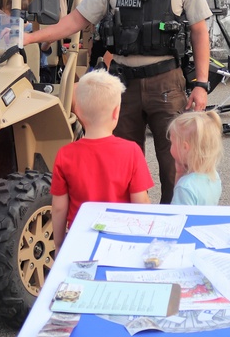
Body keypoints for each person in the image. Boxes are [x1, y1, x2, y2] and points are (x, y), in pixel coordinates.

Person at [25, 0, 212, 204]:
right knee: (123, 165)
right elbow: (75, 21)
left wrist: (201, 84)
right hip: (123, 86)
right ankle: (128, 227)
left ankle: (172, 231)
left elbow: (200, 32)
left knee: (174, 165)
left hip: (167, 83)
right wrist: (30, 38)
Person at [50, 69, 153, 251]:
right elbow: (141, 202)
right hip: (121, 240)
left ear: (78, 112)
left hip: (79, 240)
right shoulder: (131, 151)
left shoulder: (65, 154)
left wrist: (59, 243)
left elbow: (59, 208)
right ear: (116, 112)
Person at [167, 110, 223, 206]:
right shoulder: (214, 175)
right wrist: (179, 173)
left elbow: (178, 216)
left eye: (172, 142)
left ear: (185, 147)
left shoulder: (185, 187)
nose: (170, 146)